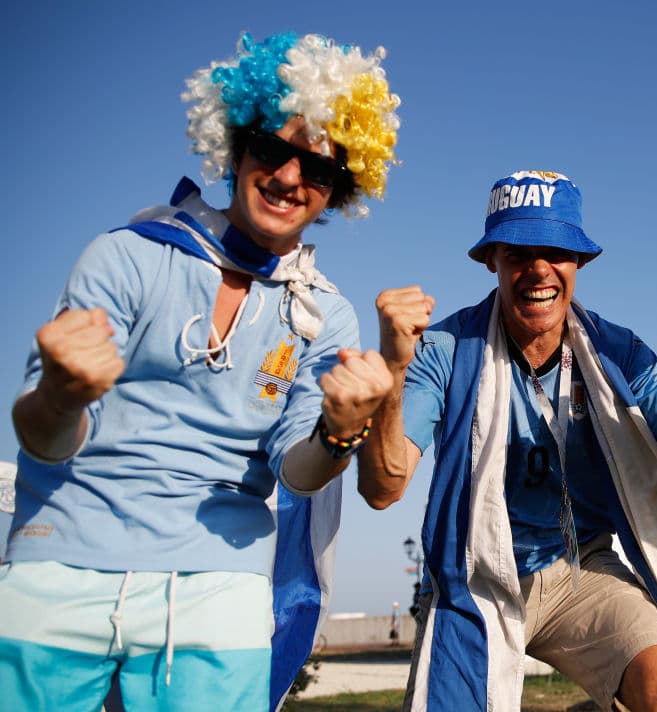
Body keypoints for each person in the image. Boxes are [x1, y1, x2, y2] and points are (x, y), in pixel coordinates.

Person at [0, 31, 399, 712]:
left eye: (319, 169)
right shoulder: (125, 256)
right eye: (272, 150)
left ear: (338, 192)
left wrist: (340, 432)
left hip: (220, 577)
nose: (289, 177)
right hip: (60, 553)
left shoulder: (326, 316)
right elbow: (43, 437)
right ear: (237, 147)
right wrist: (64, 395)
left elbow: (297, 474)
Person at [360, 171, 657, 712]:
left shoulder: (615, 351)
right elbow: (383, 487)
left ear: (581, 262)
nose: (537, 269)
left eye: (556, 251)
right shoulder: (445, 349)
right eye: (517, 252)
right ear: (491, 260)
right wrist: (390, 371)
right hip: (476, 575)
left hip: (582, 568)